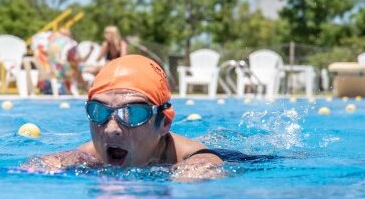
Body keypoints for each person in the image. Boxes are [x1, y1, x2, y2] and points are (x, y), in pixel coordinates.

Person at [25, 54, 225, 180]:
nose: (112, 128)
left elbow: (205, 169)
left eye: (132, 114)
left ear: (164, 123)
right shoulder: (86, 157)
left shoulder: (196, 159)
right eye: (99, 111)